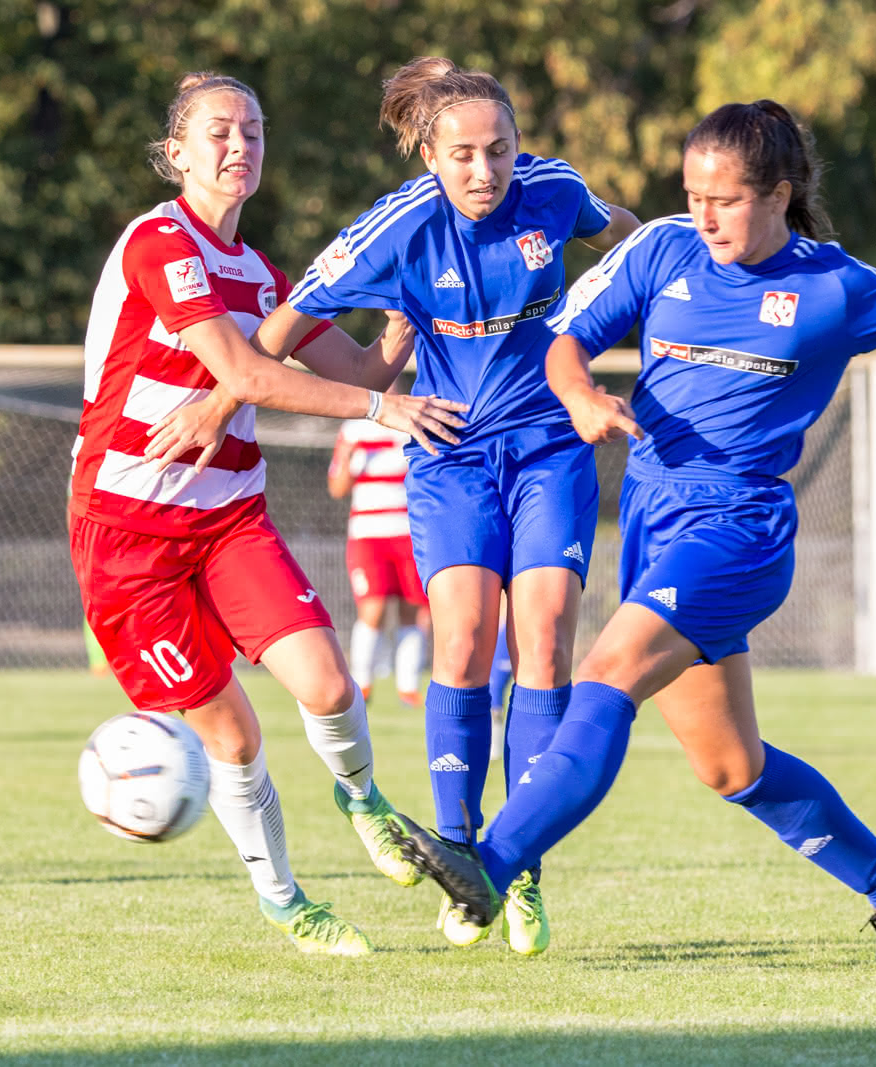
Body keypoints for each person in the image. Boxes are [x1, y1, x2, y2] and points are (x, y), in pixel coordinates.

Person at [392, 99, 876, 963]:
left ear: (779, 194)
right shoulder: (660, 249)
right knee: (730, 766)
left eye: (724, 199)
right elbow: (566, 341)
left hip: (739, 528)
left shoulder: (837, 286)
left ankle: (492, 864)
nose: (705, 215)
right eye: (693, 195)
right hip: (654, 517)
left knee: (604, 672)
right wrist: (578, 395)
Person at [69, 71, 467, 957]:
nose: (238, 145)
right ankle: (288, 901)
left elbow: (361, 372)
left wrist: (407, 319)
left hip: (226, 520)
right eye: (218, 131)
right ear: (176, 153)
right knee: (234, 734)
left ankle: (362, 800)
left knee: (329, 682)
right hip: (128, 533)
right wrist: (380, 412)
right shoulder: (159, 242)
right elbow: (248, 377)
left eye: (252, 129)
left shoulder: (260, 273)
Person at [254, 56, 641, 955]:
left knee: (543, 638)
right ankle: (460, 857)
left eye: (499, 150)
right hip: (450, 454)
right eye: (462, 154)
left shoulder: (553, 191)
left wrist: (650, 259)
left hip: (550, 447)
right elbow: (277, 334)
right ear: (429, 154)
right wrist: (368, 386)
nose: (484, 171)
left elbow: (621, 230)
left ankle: (522, 868)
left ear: (518, 146)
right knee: (463, 639)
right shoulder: (396, 227)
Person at [327, 401, 431, 705]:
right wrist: (347, 456)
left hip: (410, 533)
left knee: (413, 608)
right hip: (368, 535)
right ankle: (363, 684)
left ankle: (408, 688)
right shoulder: (353, 428)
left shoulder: (411, 422)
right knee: (372, 610)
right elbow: (337, 487)